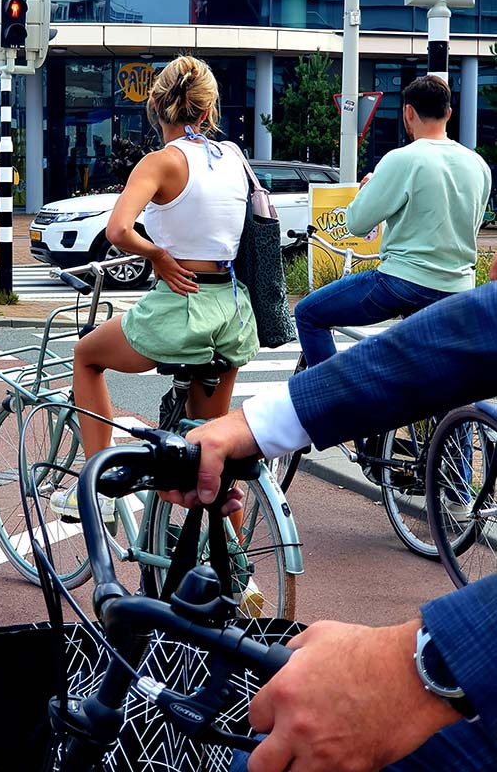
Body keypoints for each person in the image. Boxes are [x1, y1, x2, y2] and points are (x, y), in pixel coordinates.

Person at [165, 280, 497, 772]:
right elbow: (478, 325)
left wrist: (412, 673)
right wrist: (260, 425)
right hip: (453, 275)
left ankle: (366, 445)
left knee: (313, 313)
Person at [50, 55, 259, 521]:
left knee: (87, 355)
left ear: (157, 107)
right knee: (209, 449)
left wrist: (159, 257)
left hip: (181, 308)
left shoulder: (160, 163)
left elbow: (118, 230)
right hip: (230, 311)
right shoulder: (234, 158)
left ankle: (97, 488)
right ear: (207, 111)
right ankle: (240, 574)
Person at [295, 74, 491, 367]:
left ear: (407, 113)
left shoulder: (402, 159)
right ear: (448, 113)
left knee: (309, 314)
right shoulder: (478, 165)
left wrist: (369, 189)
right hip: (458, 285)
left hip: (404, 282)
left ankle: (331, 402)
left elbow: (356, 223)